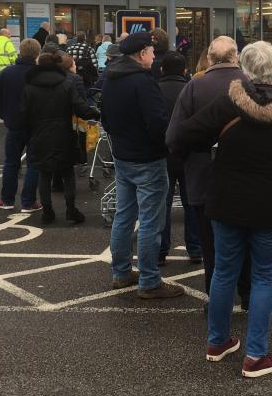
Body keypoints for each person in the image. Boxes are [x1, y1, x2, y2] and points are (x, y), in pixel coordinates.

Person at [169, 41, 272, 378]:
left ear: (245, 68)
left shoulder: (228, 102)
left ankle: (217, 342)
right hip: (270, 202)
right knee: (264, 276)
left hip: (227, 198)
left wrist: (212, 146)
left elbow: (180, 137)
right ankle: (256, 355)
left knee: (223, 270)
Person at [167, 36, 250, 301]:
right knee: (247, 240)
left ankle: (215, 300)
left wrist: (187, 157)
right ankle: (248, 293)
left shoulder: (194, 87)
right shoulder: (251, 86)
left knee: (211, 245)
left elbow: (173, 137)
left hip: (204, 176)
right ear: (236, 57)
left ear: (210, 59)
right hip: (246, 177)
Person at [101, 32, 184, 299]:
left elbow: (106, 118)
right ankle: (149, 281)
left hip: (123, 156)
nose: (153, 56)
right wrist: (166, 146)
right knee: (150, 221)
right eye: (150, 51)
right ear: (141, 54)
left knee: (124, 216)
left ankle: (121, 271)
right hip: (148, 159)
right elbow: (158, 123)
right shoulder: (143, 82)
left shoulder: (111, 79)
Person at [21, 51, 98, 224]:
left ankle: (47, 211)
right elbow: (80, 108)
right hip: (63, 133)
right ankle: (71, 210)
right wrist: (95, 113)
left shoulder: (30, 86)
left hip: (39, 133)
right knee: (68, 173)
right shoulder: (66, 83)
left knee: (44, 174)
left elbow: (23, 113)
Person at [157, 51, 202, 265]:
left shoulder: (155, 89)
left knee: (161, 205)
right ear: (185, 70)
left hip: (162, 154)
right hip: (188, 154)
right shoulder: (192, 89)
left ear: (162, 69)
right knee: (191, 203)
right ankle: (194, 248)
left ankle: (161, 250)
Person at [0, 38, 41, 212]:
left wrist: (5, 116)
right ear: (37, 53)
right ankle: (28, 202)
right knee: (34, 164)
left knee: (11, 163)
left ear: (19, 51)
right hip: (36, 125)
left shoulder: (7, 73)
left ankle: (7, 200)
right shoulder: (39, 74)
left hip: (13, 124)